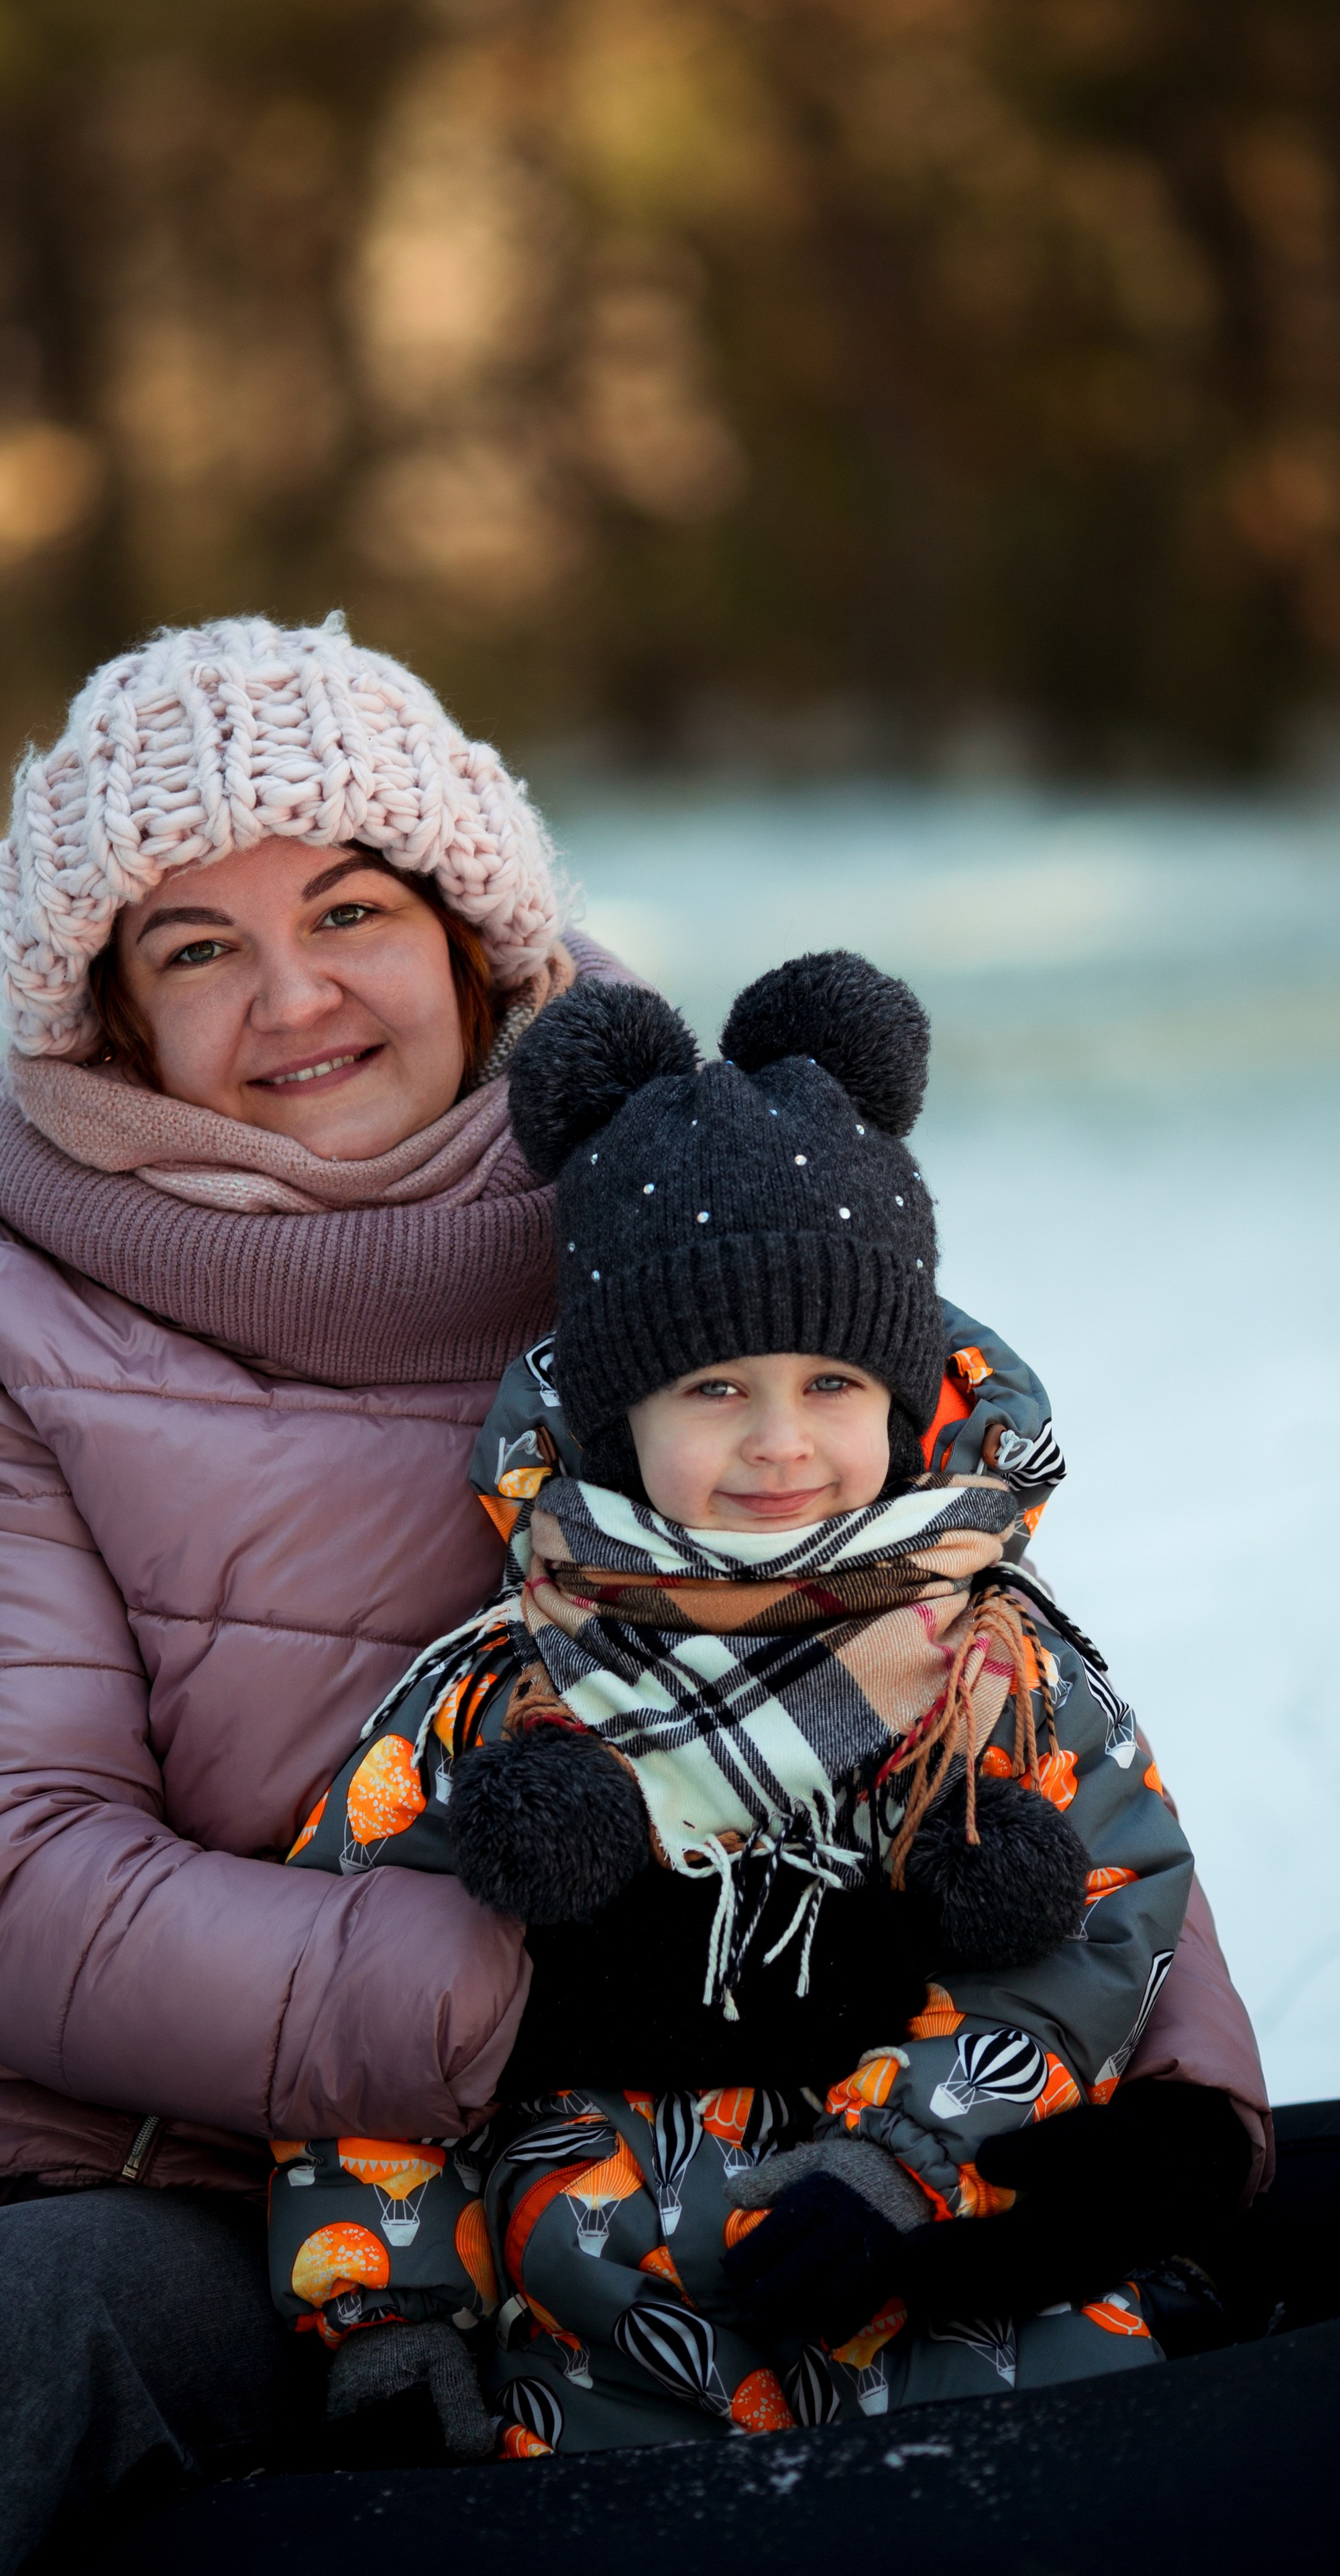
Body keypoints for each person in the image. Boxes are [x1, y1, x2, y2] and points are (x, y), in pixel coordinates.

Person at [0, 618, 1268, 2572]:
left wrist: (1181, 2101)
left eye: (348, 911)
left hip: (290, 2194)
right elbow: (0, 1867)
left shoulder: (679, 1236)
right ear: (112, 1020)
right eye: (194, 945)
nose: (292, 995)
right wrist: (543, 1986)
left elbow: (944, 1625)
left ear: (476, 932)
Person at [266, 957, 1199, 2455]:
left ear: (895, 1403)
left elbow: (1101, 1920)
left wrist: (904, 2161)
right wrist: (389, 2314)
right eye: (711, 1391)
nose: (779, 1445)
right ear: (616, 1414)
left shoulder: (981, 1665)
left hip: (950, 2308)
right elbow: (364, 2010)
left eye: (832, 1383)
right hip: (604, 2357)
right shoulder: (504, 1690)